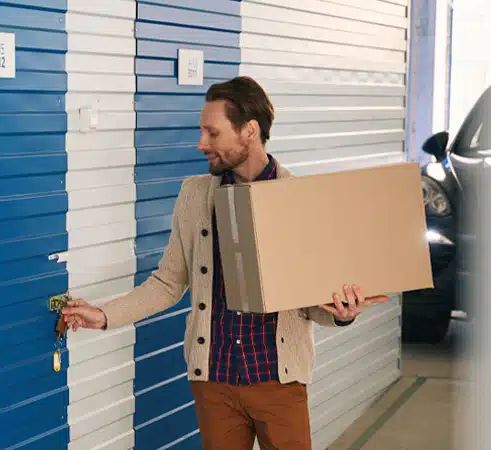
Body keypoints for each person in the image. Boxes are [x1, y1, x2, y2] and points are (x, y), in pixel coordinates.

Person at [59, 76, 388, 450]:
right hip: (213, 379)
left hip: (277, 381)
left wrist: (343, 313)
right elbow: (168, 282)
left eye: (212, 133)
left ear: (249, 131)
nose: (202, 144)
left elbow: (313, 299)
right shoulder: (195, 196)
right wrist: (103, 315)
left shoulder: (299, 198)